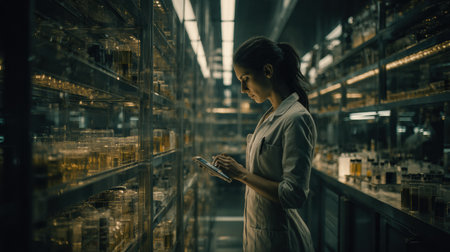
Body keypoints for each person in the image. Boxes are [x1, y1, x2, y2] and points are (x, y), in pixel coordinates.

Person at [212, 36, 317, 252]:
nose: (242, 89)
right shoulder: (270, 116)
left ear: (268, 71)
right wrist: (231, 171)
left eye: (246, 78)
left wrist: (241, 173)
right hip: (259, 235)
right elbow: (262, 175)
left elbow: (293, 194)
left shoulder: (296, 118)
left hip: (281, 240)